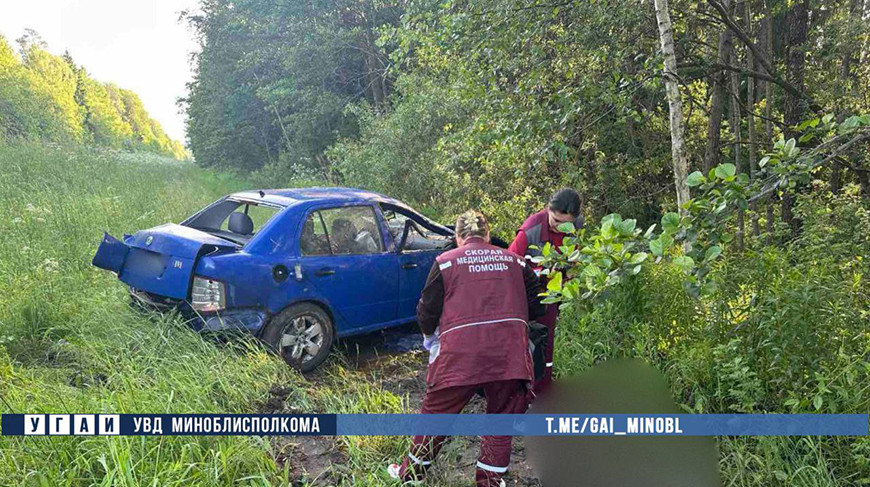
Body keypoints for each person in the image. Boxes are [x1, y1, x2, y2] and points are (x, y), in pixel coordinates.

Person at [388, 210, 546, 487]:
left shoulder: (445, 262)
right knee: (500, 422)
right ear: (487, 235)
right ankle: (489, 482)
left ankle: (411, 478)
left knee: (435, 417)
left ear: (458, 237)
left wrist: (430, 337)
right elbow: (538, 305)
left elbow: (426, 311)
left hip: (459, 357)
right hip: (508, 355)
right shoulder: (516, 262)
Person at [508, 188, 583, 394]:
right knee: (523, 343)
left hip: (553, 295)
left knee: (546, 343)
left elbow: (575, 262)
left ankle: (543, 390)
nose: (559, 227)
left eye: (565, 223)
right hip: (526, 295)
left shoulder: (576, 227)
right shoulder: (530, 231)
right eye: (555, 220)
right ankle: (519, 392)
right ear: (548, 209)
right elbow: (509, 266)